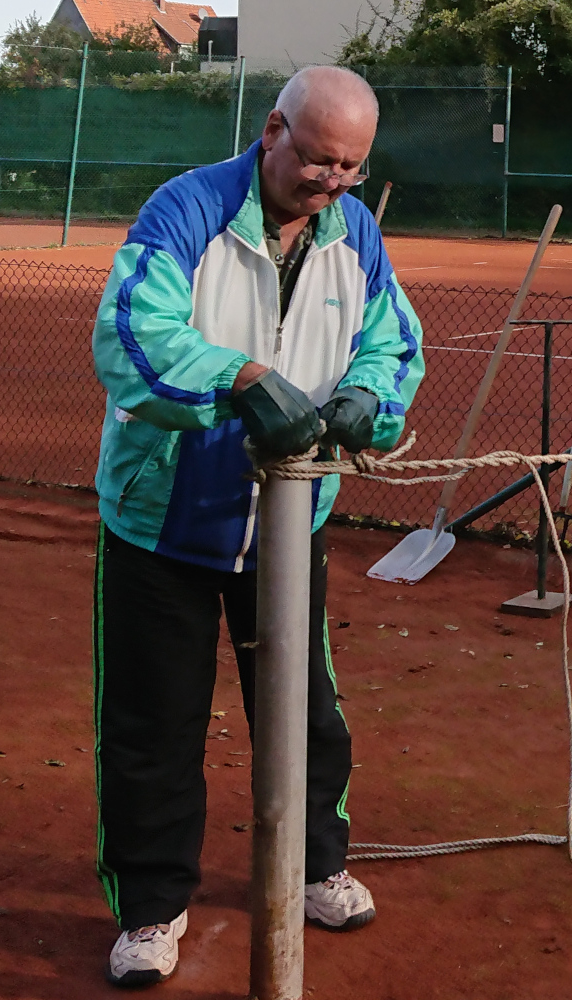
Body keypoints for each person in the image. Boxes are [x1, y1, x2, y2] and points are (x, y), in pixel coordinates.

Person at [90, 66, 425, 987]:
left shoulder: (355, 228)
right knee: (153, 726)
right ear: (272, 130)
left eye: (350, 166)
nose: (331, 182)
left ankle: (316, 862)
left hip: (290, 518)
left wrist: (368, 395)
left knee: (304, 708)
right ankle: (153, 909)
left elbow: (393, 339)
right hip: (163, 522)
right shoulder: (185, 210)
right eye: (319, 159)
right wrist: (240, 380)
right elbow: (130, 333)